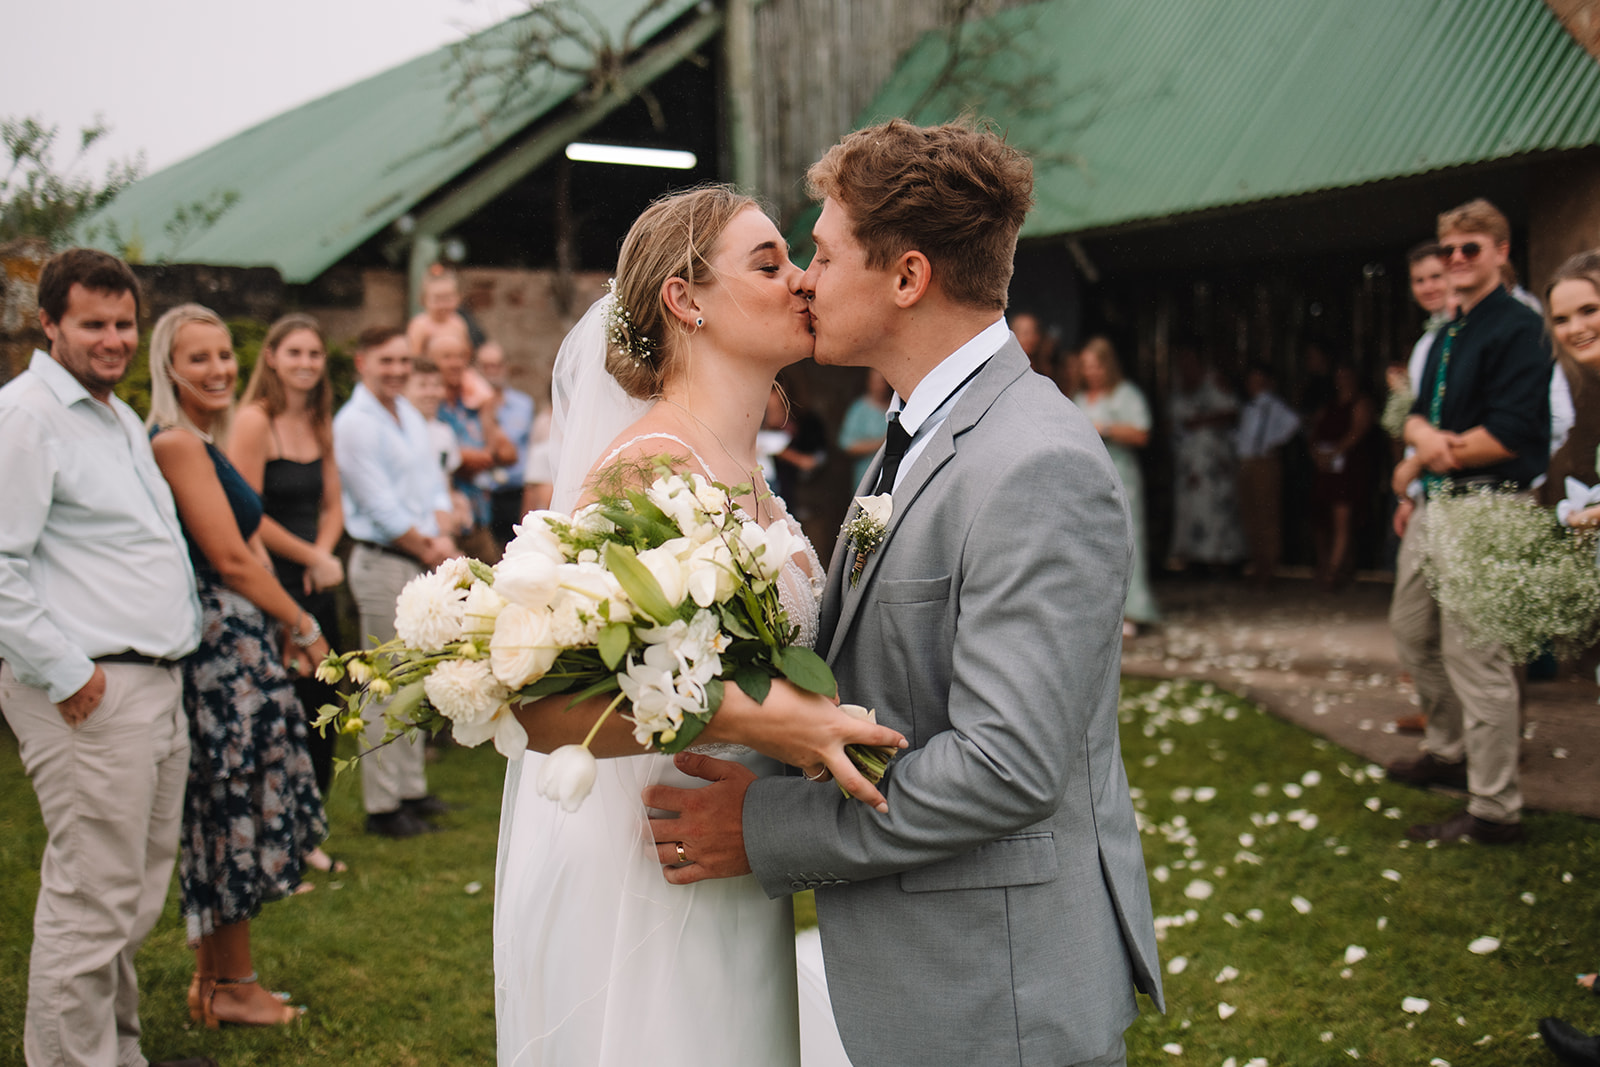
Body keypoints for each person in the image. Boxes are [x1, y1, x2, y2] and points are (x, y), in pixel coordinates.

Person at [645, 120, 1164, 1067]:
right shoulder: (922, 427)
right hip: (934, 976)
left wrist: (765, 827)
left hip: (998, 996)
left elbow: (1005, 767)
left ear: (908, 277)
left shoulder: (1034, 462)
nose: (804, 277)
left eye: (823, 252)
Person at [495, 185, 904, 1066]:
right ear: (685, 299)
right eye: (769, 263)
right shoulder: (642, 471)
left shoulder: (743, 471)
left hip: (731, 854)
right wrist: (763, 721)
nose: (802, 281)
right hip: (649, 873)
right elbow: (537, 701)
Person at [0, 250, 213, 1067]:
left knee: (127, 895)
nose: (114, 339)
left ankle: (116, 1052)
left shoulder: (117, 417)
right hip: (90, 688)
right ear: (49, 322)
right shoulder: (28, 416)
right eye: (94, 324)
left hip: (153, 682)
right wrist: (69, 673)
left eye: (124, 323)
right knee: (91, 896)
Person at [146, 303, 332, 1028]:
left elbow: (246, 543)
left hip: (237, 640)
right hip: (219, 651)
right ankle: (236, 984)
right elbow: (228, 557)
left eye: (225, 354)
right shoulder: (177, 446)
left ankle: (214, 983)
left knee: (226, 810)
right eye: (199, 358)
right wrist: (302, 620)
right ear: (169, 368)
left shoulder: (202, 440)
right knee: (229, 812)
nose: (219, 369)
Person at [1386, 198, 1551, 845]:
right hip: (1439, 501)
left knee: (1477, 656)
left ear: (1501, 252)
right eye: (1448, 250)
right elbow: (1417, 414)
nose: (1456, 260)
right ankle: (1447, 748)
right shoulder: (1451, 330)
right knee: (1412, 632)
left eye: (1470, 249)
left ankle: (1494, 808)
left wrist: (1437, 448)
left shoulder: (1518, 326)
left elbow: (1513, 433)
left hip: (1489, 503)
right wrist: (1430, 445)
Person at [334, 326, 459, 838]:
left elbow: (432, 482)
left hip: (423, 553)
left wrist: (444, 525)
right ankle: (383, 806)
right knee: (384, 684)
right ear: (362, 360)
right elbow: (378, 504)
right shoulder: (354, 423)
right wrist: (430, 545)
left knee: (416, 678)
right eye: (386, 361)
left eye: (403, 362)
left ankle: (412, 790)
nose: (397, 371)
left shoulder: (406, 413)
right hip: (385, 558)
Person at [226, 313, 346, 823]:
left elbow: (334, 505)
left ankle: (311, 826)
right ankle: (280, 830)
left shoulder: (320, 421)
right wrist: (311, 556)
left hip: (314, 581)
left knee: (325, 701)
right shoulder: (254, 420)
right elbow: (245, 511)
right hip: (270, 578)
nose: (306, 363)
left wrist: (322, 551)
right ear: (272, 357)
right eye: (294, 352)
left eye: (314, 354)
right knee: (283, 709)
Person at [1076, 335, 1160, 633]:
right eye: (1086, 366)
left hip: (1122, 475)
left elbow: (1142, 433)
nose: (1091, 372)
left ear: (1107, 366)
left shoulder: (1126, 395)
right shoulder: (1080, 399)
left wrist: (1107, 428)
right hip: (1088, 479)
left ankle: (1134, 611)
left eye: (1096, 366)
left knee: (1127, 537)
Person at [429, 330, 517, 562]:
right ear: (430, 361)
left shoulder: (474, 401)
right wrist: (477, 458)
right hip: (442, 523)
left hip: (478, 517)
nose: (456, 363)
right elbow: (451, 462)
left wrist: (481, 457)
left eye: (460, 356)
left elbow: (510, 453)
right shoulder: (428, 404)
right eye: (447, 357)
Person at [1166, 344, 1246, 573]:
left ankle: (1220, 559)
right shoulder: (1178, 386)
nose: (1186, 365)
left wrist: (1202, 421)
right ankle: (1193, 559)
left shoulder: (1214, 381)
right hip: (1188, 462)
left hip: (1212, 461)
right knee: (1190, 507)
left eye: (1190, 359)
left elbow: (1233, 412)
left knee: (1215, 507)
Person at [1308, 364, 1377, 590]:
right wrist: (1318, 454)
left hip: (1348, 467)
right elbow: (1313, 432)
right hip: (1326, 468)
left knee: (1343, 520)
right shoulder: (1328, 405)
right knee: (1321, 520)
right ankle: (1326, 565)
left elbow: (1358, 431)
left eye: (1346, 375)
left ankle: (1334, 572)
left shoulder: (1361, 403)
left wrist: (1335, 452)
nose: (1342, 379)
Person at [1234, 364, 1301, 587]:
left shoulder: (1272, 405)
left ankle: (1269, 568)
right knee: (1250, 514)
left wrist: (1272, 443)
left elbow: (1293, 423)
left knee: (1266, 514)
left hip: (1264, 462)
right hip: (1246, 462)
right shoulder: (1248, 407)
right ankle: (1258, 564)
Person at [475, 339, 537, 548]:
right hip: (483, 493)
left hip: (514, 491)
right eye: (486, 366)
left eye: (497, 365)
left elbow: (523, 449)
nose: (492, 371)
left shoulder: (523, 404)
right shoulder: (470, 405)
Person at [405, 355, 474, 538]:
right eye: (422, 386)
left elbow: (445, 478)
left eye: (436, 385)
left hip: (443, 521)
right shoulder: (400, 432)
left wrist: (457, 501)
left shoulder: (444, 432)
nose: (431, 393)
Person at [837, 367, 893, 490]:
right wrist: (881, 443)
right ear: (868, 382)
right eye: (876, 381)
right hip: (866, 474)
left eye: (883, 381)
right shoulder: (859, 409)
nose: (880, 386)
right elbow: (847, 445)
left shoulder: (896, 408)